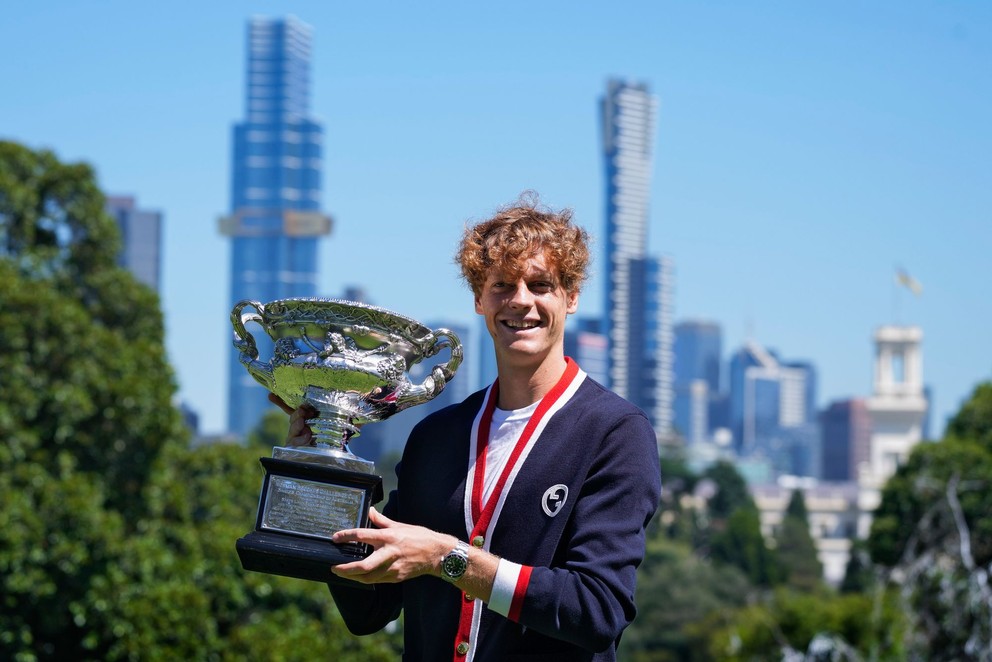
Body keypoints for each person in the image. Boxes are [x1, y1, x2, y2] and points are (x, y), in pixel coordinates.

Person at [273, 195, 662, 661]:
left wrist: (448, 559)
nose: (521, 300)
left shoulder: (614, 432)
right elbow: (369, 610)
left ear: (571, 296)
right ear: (479, 298)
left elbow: (597, 610)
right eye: (502, 285)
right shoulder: (437, 436)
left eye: (541, 284)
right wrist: (321, 470)